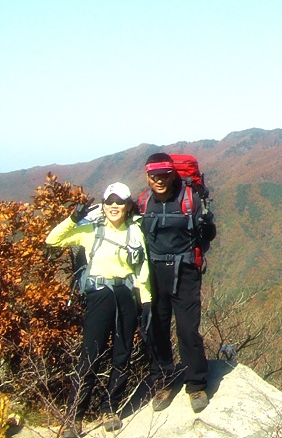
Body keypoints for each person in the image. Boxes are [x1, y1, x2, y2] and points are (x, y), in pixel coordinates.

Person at [46, 182, 150, 437]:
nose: (114, 206)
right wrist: (73, 219)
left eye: (120, 201)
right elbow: (53, 239)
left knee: (122, 353)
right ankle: (74, 417)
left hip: (126, 294)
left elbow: (142, 270)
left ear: (128, 206)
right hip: (100, 294)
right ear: (103, 205)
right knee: (91, 354)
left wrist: (146, 301)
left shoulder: (136, 231)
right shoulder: (91, 229)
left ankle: (110, 409)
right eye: (110, 201)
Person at [139, 152, 215, 413]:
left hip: (185, 272)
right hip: (154, 272)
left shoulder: (189, 198)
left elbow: (207, 233)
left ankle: (196, 384)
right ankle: (164, 380)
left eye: (164, 175)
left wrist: (206, 233)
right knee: (156, 327)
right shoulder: (143, 202)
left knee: (187, 329)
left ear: (173, 174)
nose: (159, 180)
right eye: (154, 176)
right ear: (147, 177)